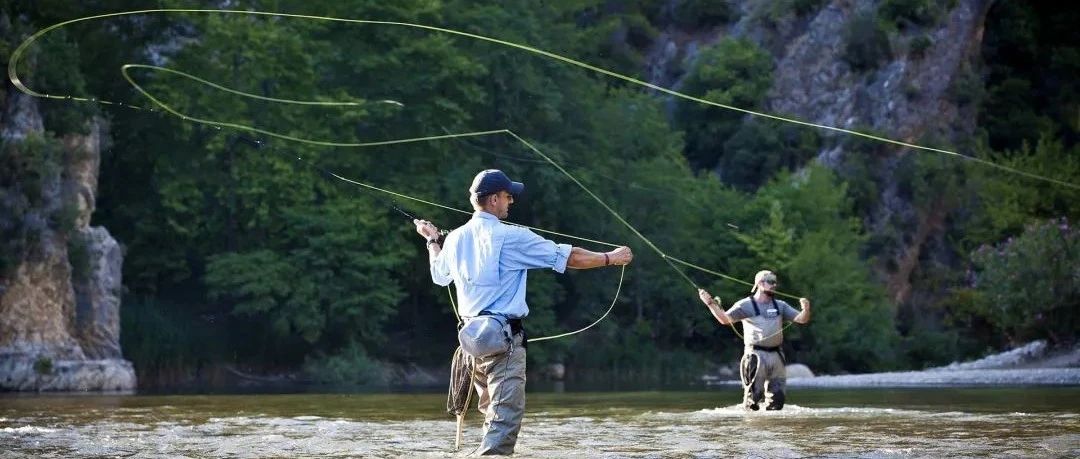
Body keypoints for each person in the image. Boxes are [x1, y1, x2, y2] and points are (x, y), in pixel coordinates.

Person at [414, 169, 633, 455]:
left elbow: (439, 275)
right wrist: (611, 258)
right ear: (493, 200)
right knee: (504, 419)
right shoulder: (511, 236)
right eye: (508, 196)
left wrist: (432, 241)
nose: (511, 202)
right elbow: (569, 258)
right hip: (503, 341)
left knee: (492, 415)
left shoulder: (453, 239)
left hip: (473, 344)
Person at [697, 270, 811, 410]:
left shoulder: (780, 305)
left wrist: (806, 310)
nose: (774, 284)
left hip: (777, 355)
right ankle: (751, 428)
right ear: (760, 283)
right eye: (770, 281)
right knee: (753, 399)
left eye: (775, 281)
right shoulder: (745, 305)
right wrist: (710, 303)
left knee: (778, 400)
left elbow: (801, 319)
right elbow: (724, 319)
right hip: (755, 355)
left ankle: (774, 430)